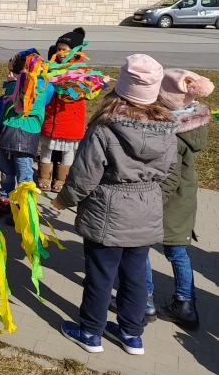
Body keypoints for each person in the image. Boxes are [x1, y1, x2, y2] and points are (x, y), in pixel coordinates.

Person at [55, 54, 177, 357]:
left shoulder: (105, 127)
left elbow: (84, 175)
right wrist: (153, 196)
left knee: (100, 275)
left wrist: (63, 200)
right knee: (135, 276)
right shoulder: (168, 129)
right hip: (145, 210)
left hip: (108, 210)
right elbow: (169, 171)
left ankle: (90, 332)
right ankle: (131, 333)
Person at [148, 69, 214, 329]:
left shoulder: (172, 134)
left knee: (143, 247)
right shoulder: (191, 122)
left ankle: (145, 299)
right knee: (178, 251)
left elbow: (169, 176)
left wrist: (151, 202)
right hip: (184, 198)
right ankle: (185, 302)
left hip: (168, 201)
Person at [0, 49, 53, 220]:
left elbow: (23, 103)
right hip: (10, 138)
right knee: (10, 174)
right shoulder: (12, 90)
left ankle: (21, 208)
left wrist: (14, 84)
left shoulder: (40, 87)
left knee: (20, 176)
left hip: (20, 137)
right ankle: (8, 203)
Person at [39, 27, 88, 192]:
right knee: (47, 148)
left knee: (68, 151)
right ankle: (44, 177)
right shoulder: (51, 67)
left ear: (75, 51)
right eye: (58, 49)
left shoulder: (81, 71)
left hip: (70, 118)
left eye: (64, 50)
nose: (60, 53)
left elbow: (85, 92)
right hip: (51, 116)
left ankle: (61, 179)